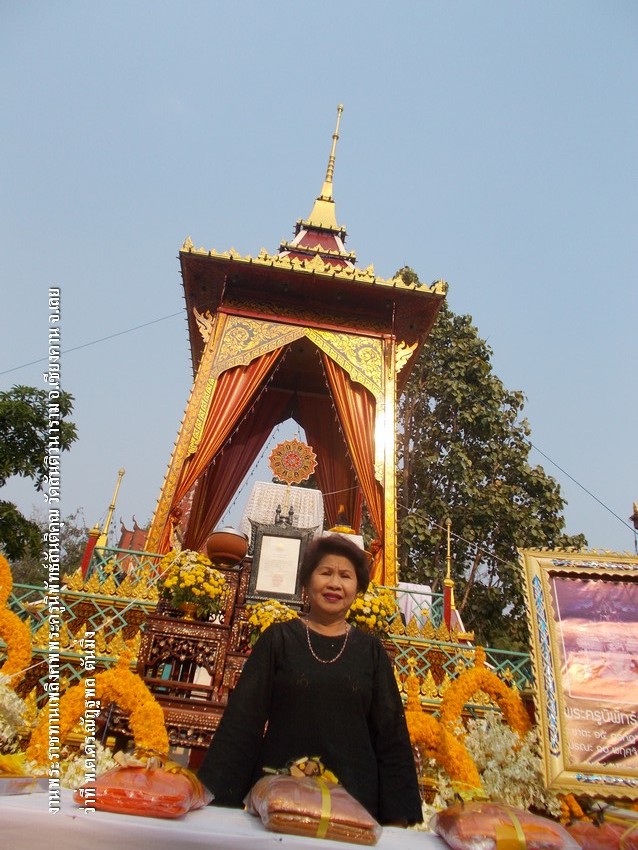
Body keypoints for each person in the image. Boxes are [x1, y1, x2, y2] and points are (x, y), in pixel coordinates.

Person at [197, 533, 423, 826]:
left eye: (345, 576)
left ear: (358, 588)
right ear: (306, 581)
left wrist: (397, 820)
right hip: (280, 798)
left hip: (353, 806)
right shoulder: (278, 640)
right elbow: (242, 723)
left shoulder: (371, 652)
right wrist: (219, 804)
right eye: (325, 573)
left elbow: (391, 736)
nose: (334, 584)